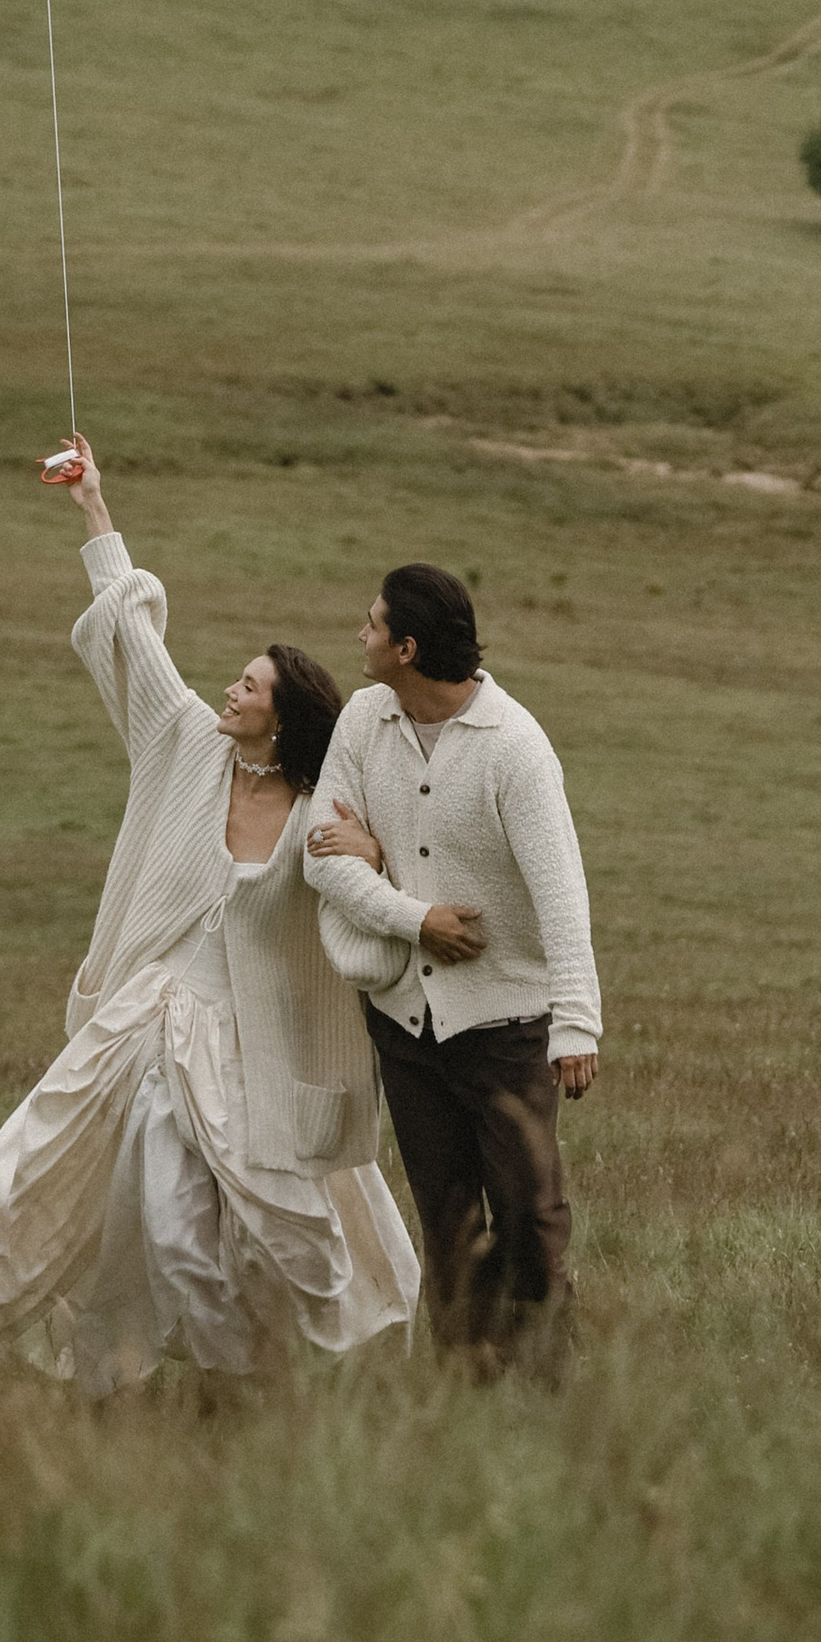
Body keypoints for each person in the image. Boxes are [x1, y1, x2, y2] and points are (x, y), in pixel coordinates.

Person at [0, 441, 419, 1391]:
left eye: (249, 686)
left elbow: (365, 913)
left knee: (255, 1232)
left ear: (283, 716)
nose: (230, 689)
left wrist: (378, 862)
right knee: (46, 1177)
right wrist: (94, 509)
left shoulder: (320, 816)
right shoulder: (184, 744)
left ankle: (244, 1384)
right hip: (145, 1030)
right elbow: (134, 640)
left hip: (252, 1054)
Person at [303, 563, 599, 1374]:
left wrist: (576, 1024)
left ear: (407, 648)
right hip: (405, 1026)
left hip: (508, 1027)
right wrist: (415, 917)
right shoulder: (364, 719)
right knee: (447, 1220)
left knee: (529, 1216)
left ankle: (548, 1383)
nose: (359, 635)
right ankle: (466, 1386)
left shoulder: (515, 748)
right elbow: (321, 856)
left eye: (371, 624)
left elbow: (561, 892)